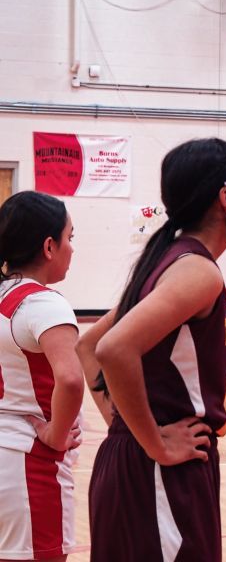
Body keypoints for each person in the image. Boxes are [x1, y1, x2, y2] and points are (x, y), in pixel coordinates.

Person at [80, 137, 226, 561]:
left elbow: (87, 344)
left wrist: (125, 425)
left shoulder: (172, 259)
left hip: (141, 462)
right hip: (161, 470)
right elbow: (110, 348)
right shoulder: (197, 271)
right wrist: (154, 443)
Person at [0, 191, 83, 562]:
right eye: (70, 237)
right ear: (49, 246)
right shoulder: (44, 303)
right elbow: (70, 379)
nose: (72, 248)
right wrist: (56, 433)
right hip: (29, 467)